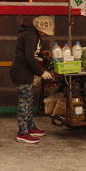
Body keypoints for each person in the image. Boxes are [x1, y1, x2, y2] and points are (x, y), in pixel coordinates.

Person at [10, 15, 54, 144]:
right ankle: (22, 133)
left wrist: (42, 54)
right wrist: (41, 72)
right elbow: (29, 57)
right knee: (24, 103)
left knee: (28, 102)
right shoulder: (30, 35)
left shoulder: (34, 35)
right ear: (39, 29)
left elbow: (33, 52)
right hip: (21, 72)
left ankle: (31, 127)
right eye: (44, 32)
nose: (45, 34)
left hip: (27, 73)